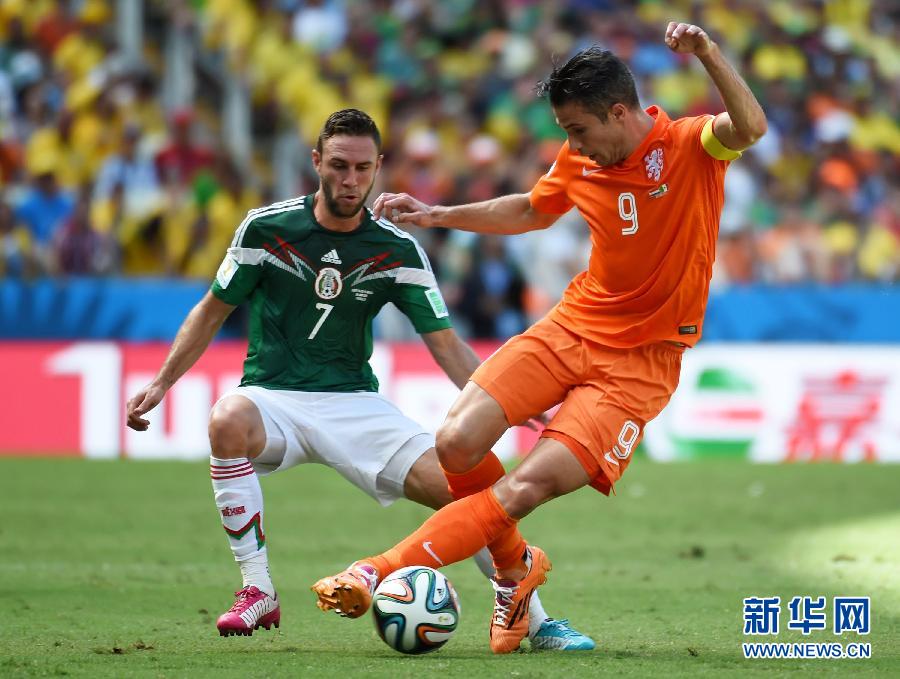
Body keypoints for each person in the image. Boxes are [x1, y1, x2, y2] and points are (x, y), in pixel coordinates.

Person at [312, 23, 767, 654]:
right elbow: (530, 209)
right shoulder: (580, 156)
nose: (571, 143)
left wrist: (710, 54)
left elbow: (750, 129)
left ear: (617, 113)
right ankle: (516, 575)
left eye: (578, 129)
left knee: (524, 486)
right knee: (456, 442)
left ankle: (374, 570)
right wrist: (441, 215)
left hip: (640, 363)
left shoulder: (690, 146)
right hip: (573, 324)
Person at [125, 108, 593, 650]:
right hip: (272, 398)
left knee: (467, 493)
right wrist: (161, 384)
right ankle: (257, 591)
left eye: (363, 169)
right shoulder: (266, 228)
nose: (350, 181)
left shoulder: (394, 247)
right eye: (340, 166)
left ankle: (533, 618)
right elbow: (211, 310)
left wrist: (509, 399)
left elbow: (445, 344)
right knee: (226, 418)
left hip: (354, 406)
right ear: (317, 161)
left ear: (378, 168)